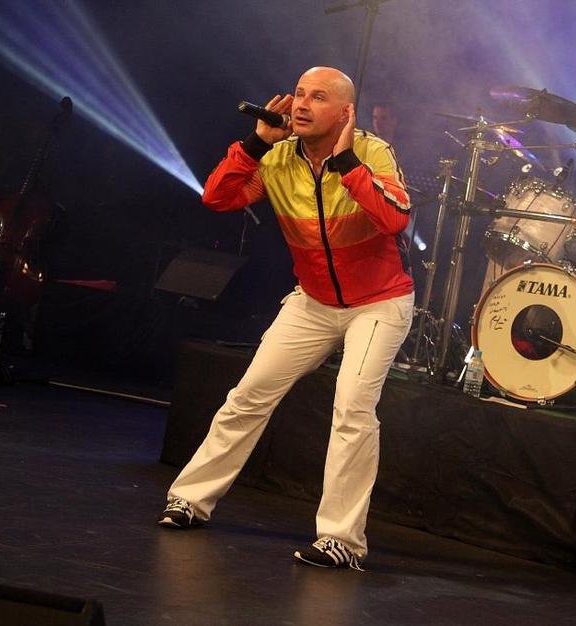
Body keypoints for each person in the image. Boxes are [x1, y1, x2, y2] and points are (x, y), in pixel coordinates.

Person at [157, 66, 414, 572]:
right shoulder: (276, 156)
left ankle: (342, 540)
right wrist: (255, 144)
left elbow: (395, 218)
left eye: (317, 97)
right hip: (313, 302)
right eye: (298, 94)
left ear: (345, 113)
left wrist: (346, 162)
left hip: (379, 303)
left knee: (353, 408)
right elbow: (217, 197)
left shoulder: (371, 151)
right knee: (248, 395)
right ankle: (189, 499)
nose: (300, 104)